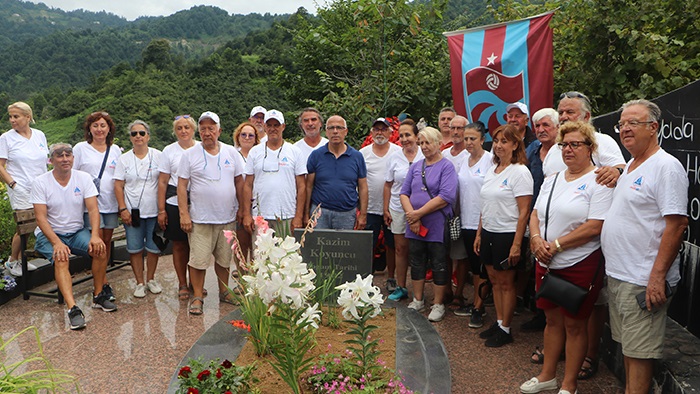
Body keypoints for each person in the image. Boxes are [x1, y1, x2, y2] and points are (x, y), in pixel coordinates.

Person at [519, 121, 613, 394]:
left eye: (575, 144)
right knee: (551, 321)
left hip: (580, 262)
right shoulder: (552, 179)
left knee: (574, 324)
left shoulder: (599, 180)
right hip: (546, 261)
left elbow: (595, 225)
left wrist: (557, 245)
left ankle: (569, 385)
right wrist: (536, 240)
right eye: (564, 144)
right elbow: (535, 214)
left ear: (591, 148)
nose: (568, 149)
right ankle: (547, 375)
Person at [601, 99, 688, 394]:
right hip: (620, 275)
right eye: (621, 124)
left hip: (641, 281)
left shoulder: (666, 167)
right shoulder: (630, 165)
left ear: (653, 128)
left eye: (632, 123)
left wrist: (657, 276)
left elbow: (676, 225)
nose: (624, 129)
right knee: (630, 350)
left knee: (639, 357)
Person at [540, 91, 626, 376]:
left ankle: (589, 355)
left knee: (588, 305)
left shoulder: (603, 141)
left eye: (570, 112)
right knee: (555, 305)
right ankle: (559, 352)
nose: (564, 116)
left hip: (586, 244)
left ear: (587, 116)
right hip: (549, 244)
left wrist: (615, 171)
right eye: (561, 112)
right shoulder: (555, 147)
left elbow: (620, 168)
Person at [31, 143, 116, 330]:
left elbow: (94, 210)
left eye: (68, 154)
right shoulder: (41, 182)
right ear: (51, 160)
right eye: (59, 155)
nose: (64, 158)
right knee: (61, 257)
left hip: (76, 232)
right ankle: (73, 309)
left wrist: (95, 235)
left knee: (100, 250)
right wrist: (56, 243)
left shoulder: (83, 178)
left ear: (73, 158)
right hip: (50, 234)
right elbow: (40, 218)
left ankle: (99, 295)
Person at [177, 111, 245, 315]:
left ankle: (224, 291)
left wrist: (242, 209)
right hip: (200, 218)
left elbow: (239, 182)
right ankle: (197, 295)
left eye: (211, 128)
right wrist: (184, 214)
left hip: (227, 218)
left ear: (219, 130)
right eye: (203, 128)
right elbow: (181, 186)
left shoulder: (232, 153)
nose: (207, 132)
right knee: (198, 260)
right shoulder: (189, 155)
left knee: (224, 260)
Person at [475, 124, 533, 347]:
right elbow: (485, 204)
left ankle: (506, 328)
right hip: (490, 231)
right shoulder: (493, 169)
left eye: (504, 141)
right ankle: (499, 322)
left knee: (506, 282)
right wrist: (480, 233)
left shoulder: (520, 172)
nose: (499, 145)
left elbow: (524, 211)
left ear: (515, 144)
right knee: (494, 280)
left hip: (508, 234)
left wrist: (517, 245)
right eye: (496, 141)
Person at [400, 126, 457, 323]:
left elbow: (446, 196)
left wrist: (418, 214)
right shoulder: (416, 166)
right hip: (414, 223)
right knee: (416, 261)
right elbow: (404, 192)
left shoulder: (446, 167)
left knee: (439, 263)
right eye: (421, 143)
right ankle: (418, 299)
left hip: (436, 223)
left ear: (439, 143)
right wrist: (411, 216)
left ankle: (438, 303)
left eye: (428, 142)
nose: (424, 147)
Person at [73, 111, 122, 301]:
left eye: (103, 125)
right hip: (90, 206)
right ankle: (100, 286)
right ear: (89, 129)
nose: (99, 129)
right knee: (98, 246)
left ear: (109, 129)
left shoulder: (115, 149)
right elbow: (73, 174)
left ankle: (103, 278)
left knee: (107, 242)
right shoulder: (81, 148)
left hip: (110, 204)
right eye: (95, 126)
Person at [114, 120, 162, 298]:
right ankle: (139, 282)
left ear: (148, 136)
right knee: (134, 248)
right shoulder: (124, 159)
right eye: (134, 134)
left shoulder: (158, 155)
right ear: (130, 138)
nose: (138, 137)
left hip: (154, 210)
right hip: (132, 212)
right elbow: (118, 186)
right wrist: (122, 209)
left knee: (153, 248)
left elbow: (164, 181)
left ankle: (151, 279)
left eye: (142, 133)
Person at [0, 102, 49, 276]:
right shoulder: (6, 138)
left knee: (38, 222)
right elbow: (0, 166)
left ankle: (21, 260)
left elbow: (44, 160)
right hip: (20, 187)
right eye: (10, 117)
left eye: (16, 116)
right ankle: (13, 260)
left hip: (40, 186)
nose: (12, 120)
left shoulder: (40, 135)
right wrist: (13, 184)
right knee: (24, 225)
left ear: (28, 117)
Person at [242, 110, 306, 234]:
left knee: (286, 252)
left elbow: (302, 186)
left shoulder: (295, 151)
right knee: (261, 253)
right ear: (265, 127)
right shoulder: (255, 152)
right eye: (269, 125)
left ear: (283, 126)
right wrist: (246, 214)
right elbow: (247, 185)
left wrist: (298, 216)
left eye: (276, 125)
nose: (273, 129)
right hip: (260, 216)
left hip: (287, 215)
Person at [158, 115, 200, 300]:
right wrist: (161, 210)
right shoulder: (169, 151)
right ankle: (182, 283)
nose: (183, 131)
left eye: (187, 127)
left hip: (199, 201)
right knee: (180, 244)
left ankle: (196, 283)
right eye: (179, 128)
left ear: (193, 129)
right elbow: (162, 181)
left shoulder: (201, 148)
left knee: (198, 245)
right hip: (175, 201)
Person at [456, 121, 492, 328]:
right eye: (466, 138)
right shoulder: (463, 160)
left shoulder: (489, 161)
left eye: (472, 139)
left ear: (482, 139)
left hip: (482, 222)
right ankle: (478, 304)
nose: (468, 142)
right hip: (465, 221)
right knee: (474, 267)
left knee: (482, 268)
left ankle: (478, 307)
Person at [305, 115, 367, 230]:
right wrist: (306, 213)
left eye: (339, 128)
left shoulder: (357, 157)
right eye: (331, 128)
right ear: (326, 132)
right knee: (319, 247)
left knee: (344, 247)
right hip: (319, 214)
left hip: (347, 214)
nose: (335, 131)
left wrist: (363, 214)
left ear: (346, 131)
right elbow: (309, 186)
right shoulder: (316, 155)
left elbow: (363, 187)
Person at [385, 119, 423, 301]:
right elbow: (388, 185)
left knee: (419, 249)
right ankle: (401, 287)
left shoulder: (425, 153)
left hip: (422, 209)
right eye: (401, 135)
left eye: (408, 135)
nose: (405, 139)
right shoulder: (394, 157)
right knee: (400, 248)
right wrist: (385, 209)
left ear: (416, 136)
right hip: (398, 208)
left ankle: (420, 291)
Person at [361, 118, 401, 277]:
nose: (380, 132)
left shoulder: (398, 151)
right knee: (367, 244)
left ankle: (392, 277)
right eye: (376, 129)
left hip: (393, 208)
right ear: (371, 132)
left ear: (391, 132)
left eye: (383, 129)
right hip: (369, 207)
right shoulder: (363, 153)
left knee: (392, 245)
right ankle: (365, 278)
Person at [442, 115, 470, 313]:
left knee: (460, 254)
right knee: (442, 252)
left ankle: (459, 293)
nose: (457, 132)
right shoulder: (444, 154)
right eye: (454, 128)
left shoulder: (472, 154)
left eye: (461, 128)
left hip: (464, 209)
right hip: (443, 209)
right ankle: (445, 290)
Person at [231, 121, 260, 267]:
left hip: (257, 207)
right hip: (237, 207)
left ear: (256, 138)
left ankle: (256, 281)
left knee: (257, 246)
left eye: (251, 135)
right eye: (244, 134)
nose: (247, 137)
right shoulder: (232, 155)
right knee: (241, 246)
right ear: (238, 136)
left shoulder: (260, 154)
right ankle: (242, 280)